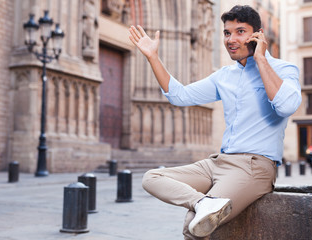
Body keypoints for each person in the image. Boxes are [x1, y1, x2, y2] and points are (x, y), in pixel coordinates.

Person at [128, 5, 301, 240]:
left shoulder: (284, 69)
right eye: (227, 33)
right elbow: (180, 96)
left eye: (240, 31)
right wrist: (153, 57)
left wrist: (260, 59)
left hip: (254, 167)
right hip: (218, 163)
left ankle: (205, 208)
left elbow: (287, 106)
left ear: (258, 34)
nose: (231, 39)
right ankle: (204, 203)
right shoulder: (224, 76)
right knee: (152, 178)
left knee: (194, 225)